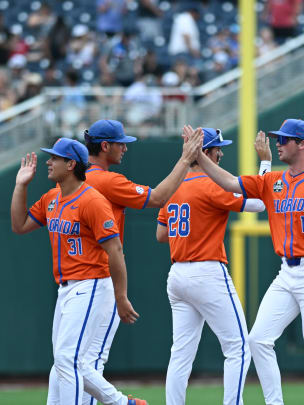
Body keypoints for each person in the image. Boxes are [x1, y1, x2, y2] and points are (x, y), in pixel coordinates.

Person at [196, 119, 304, 405]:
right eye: (278, 138)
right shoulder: (273, 180)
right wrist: (198, 155)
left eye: (285, 139)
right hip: (286, 272)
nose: (278, 143)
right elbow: (228, 182)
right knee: (258, 340)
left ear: (302, 144)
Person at [10, 138, 146, 405]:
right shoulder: (52, 198)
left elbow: (115, 250)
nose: (49, 162)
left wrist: (121, 296)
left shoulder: (92, 200)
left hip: (92, 284)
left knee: (67, 358)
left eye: (55, 158)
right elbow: (19, 224)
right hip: (66, 289)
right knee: (65, 361)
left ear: (71, 164)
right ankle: (123, 403)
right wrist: (20, 185)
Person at [81, 119, 202, 405]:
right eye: (121, 143)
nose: (125, 148)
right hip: (98, 279)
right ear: (105, 145)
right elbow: (159, 197)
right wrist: (186, 159)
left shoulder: (74, 181)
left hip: (74, 276)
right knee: (84, 362)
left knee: (69, 361)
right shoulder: (105, 180)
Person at [157, 127, 266, 405]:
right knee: (238, 347)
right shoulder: (211, 184)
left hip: (177, 274)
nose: (221, 154)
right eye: (218, 149)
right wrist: (264, 164)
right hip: (206, 271)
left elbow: (161, 234)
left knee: (180, 353)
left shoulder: (173, 184)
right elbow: (258, 203)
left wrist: (193, 221)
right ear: (205, 152)